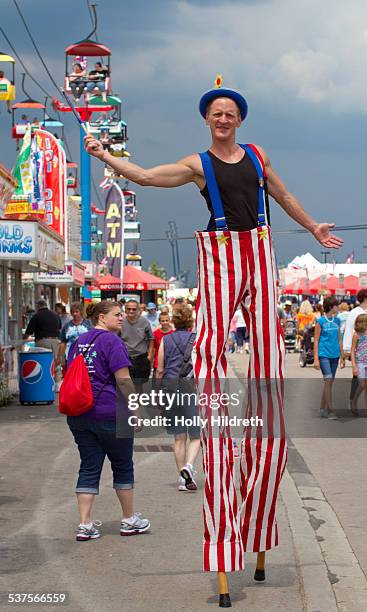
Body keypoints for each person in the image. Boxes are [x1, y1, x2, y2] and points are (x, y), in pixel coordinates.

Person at [84, 78, 342, 595]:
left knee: (267, 350)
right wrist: (104, 156)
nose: (223, 119)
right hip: (222, 253)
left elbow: (283, 195)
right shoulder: (198, 164)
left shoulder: (255, 154)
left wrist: (313, 227)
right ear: (208, 119)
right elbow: (146, 177)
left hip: (260, 251)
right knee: (210, 346)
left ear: (239, 120)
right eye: (216, 114)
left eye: (230, 114)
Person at [67, 300, 150, 541]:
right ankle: (129, 520)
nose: (122, 318)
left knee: (89, 466)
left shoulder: (78, 342)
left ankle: (85, 524)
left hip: (80, 413)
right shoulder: (112, 342)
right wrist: (136, 409)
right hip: (110, 412)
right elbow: (123, 380)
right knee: (122, 464)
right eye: (117, 314)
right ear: (101, 317)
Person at [157, 304, 200, 492]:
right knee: (196, 436)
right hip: (190, 389)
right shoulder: (196, 340)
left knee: (179, 438)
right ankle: (188, 466)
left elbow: (159, 369)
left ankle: (182, 480)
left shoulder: (165, 340)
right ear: (190, 320)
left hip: (170, 389)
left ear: (173, 320)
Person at [313, 296, 345, 418]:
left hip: (335, 355)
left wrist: (342, 354)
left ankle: (322, 408)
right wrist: (316, 358)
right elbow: (316, 340)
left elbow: (339, 338)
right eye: (336, 305)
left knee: (329, 382)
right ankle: (330, 410)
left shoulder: (337, 320)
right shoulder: (320, 321)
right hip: (324, 354)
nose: (338, 307)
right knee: (329, 379)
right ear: (331, 307)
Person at [120, 299, 154, 394]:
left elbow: (151, 339)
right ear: (125, 310)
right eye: (129, 309)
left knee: (139, 384)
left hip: (141, 358)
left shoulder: (144, 321)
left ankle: (139, 405)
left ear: (138, 310)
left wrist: (150, 355)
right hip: (125, 358)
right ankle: (130, 404)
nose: (131, 311)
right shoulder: (120, 322)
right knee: (126, 383)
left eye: (134, 309)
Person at [343, 290, 367, 412]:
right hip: (357, 352)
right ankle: (352, 401)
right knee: (356, 378)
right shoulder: (354, 312)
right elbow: (349, 331)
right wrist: (346, 349)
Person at [56, 302, 92, 370]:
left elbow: (93, 339)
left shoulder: (88, 324)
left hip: (86, 355)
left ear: (81, 312)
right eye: (72, 312)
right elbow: (63, 342)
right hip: (70, 356)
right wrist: (59, 357)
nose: (74, 314)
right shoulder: (67, 326)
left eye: (76, 312)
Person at [350, 314, 367, 415]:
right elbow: (352, 351)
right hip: (360, 361)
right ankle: (354, 401)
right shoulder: (356, 334)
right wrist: (353, 366)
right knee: (361, 385)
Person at [151, 311, 173, 382]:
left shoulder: (173, 333)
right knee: (156, 388)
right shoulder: (155, 333)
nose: (165, 322)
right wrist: (151, 364)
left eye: (167, 320)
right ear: (159, 322)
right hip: (157, 364)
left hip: (170, 365)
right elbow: (153, 350)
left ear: (170, 321)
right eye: (163, 321)